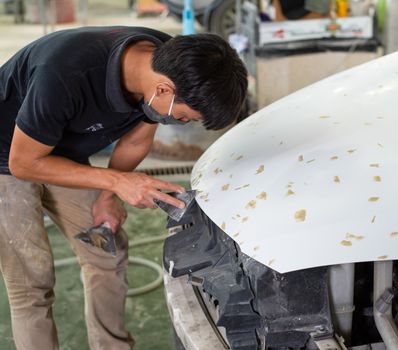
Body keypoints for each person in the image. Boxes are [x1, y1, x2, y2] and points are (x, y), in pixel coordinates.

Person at [0, 26, 247, 350]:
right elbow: (24, 163)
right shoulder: (64, 72)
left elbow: (135, 139)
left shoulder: (170, 60)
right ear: (162, 90)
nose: (180, 123)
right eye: (184, 118)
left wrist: (108, 197)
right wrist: (118, 181)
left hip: (62, 152)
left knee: (106, 252)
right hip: (8, 156)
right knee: (33, 280)